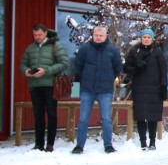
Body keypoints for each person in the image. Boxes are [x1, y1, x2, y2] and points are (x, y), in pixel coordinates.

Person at [72, 26, 122, 154]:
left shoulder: (113, 51)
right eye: (96, 35)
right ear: (93, 35)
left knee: (106, 118)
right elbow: (78, 66)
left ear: (106, 36)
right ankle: (79, 146)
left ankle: (108, 145)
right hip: (87, 89)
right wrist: (86, 78)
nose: (98, 37)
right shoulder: (85, 49)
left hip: (105, 90)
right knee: (83, 118)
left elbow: (118, 68)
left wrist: (108, 78)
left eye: (101, 35)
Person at [20, 23, 70, 151]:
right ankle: (39, 144)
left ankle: (50, 144)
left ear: (46, 33)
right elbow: (22, 64)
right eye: (35, 35)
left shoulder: (56, 46)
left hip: (50, 85)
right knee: (38, 115)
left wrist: (46, 71)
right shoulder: (30, 48)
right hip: (34, 86)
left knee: (51, 114)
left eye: (40, 34)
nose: (37, 37)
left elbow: (64, 63)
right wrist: (26, 71)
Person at [123, 28, 167, 150]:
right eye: (144, 37)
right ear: (141, 38)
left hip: (155, 88)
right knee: (141, 115)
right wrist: (136, 69)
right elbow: (126, 68)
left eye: (148, 37)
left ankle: (152, 141)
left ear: (152, 39)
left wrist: (164, 87)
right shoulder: (134, 51)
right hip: (139, 87)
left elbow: (163, 70)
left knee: (153, 116)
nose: (146, 39)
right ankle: (143, 142)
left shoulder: (158, 52)